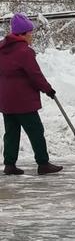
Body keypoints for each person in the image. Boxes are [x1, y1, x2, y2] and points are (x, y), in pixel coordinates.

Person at [0, 13, 63, 175]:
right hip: (23, 101)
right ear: (23, 33)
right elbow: (35, 75)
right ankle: (43, 163)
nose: (32, 36)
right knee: (36, 130)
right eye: (30, 33)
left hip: (6, 100)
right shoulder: (24, 52)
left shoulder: (2, 50)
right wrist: (48, 89)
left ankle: (9, 164)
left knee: (11, 132)